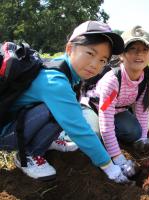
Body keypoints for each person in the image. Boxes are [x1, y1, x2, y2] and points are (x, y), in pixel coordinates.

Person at [0, 20, 130, 183]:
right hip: (5, 133)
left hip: (13, 121)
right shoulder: (56, 82)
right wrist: (110, 168)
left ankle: (46, 140)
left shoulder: (61, 67)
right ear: (70, 48)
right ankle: (28, 155)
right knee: (63, 112)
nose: (95, 65)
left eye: (103, 60)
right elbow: (78, 129)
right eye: (90, 53)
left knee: (65, 109)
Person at [80, 25, 149, 178]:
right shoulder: (112, 81)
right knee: (94, 135)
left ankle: (113, 140)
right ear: (121, 54)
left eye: (144, 49)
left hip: (118, 111)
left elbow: (142, 111)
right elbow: (106, 120)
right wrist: (118, 158)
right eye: (132, 48)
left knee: (134, 132)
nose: (139, 53)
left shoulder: (144, 80)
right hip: (92, 107)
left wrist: (142, 138)